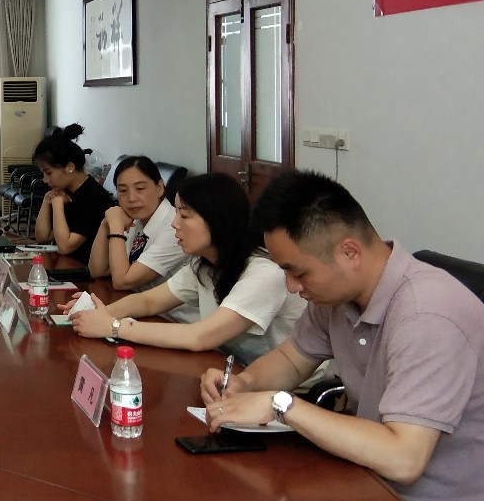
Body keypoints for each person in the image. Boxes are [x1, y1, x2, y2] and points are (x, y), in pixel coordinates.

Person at [202, 170, 484, 501]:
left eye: (297, 272)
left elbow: (403, 459)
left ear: (349, 252)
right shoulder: (337, 296)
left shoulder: (428, 316)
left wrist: (281, 405)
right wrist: (244, 385)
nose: (291, 286)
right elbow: (291, 358)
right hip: (380, 493)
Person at [62, 172, 305, 365]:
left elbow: (199, 336)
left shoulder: (264, 273)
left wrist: (113, 327)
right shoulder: (204, 264)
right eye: (176, 212)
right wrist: (98, 313)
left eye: (185, 215)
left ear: (218, 220)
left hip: (285, 389)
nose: (174, 224)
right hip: (228, 367)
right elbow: (148, 301)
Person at [87, 155, 187, 291]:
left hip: (163, 306)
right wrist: (106, 223)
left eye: (140, 189)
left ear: (159, 187)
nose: (131, 198)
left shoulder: (174, 228)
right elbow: (97, 271)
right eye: (123, 191)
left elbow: (122, 281)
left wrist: (115, 226)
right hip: (136, 301)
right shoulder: (137, 219)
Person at [31, 124, 111, 265]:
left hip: (86, 269)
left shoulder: (94, 197)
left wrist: (57, 205)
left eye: (49, 173)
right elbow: (42, 237)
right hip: (65, 263)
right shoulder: (64, 190)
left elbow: (65, 247)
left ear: (70, 167)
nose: (45, 180)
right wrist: (46, 200)